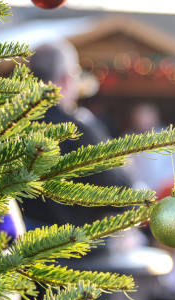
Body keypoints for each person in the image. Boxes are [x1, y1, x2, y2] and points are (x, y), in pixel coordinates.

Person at [21, 42, 131, 229]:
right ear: (66, 79)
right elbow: (122, 193)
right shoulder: (78, 128)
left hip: (13, 247)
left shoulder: (6, 126)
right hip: (71, 248)